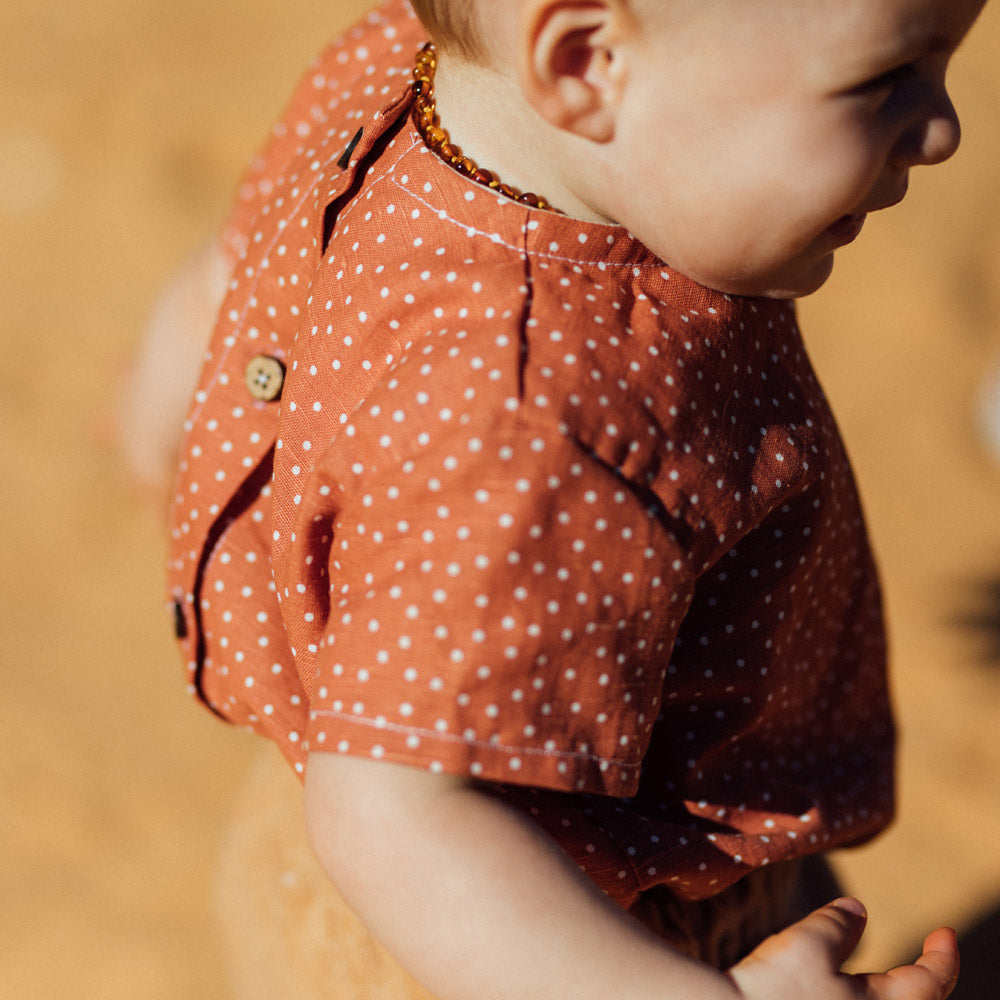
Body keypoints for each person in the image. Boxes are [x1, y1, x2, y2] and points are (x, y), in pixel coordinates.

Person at [146, 0, 989, 996]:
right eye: (879, 79)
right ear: (586, 60)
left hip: (309, 815)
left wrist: (155, 423)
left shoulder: (400, 72)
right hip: (547, 927)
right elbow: (396, 815)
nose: (941, 129)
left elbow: (231, 270)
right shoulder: (535, 412)